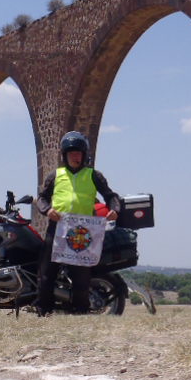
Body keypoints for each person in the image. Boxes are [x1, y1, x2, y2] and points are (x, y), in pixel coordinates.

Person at [35, 131, 120, 315]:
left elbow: (111, 196)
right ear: (64, 156)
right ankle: (43, 310)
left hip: (83, 232)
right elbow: (42, 198)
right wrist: (47, 210)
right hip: (57, 229)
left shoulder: (93, 175)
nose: (75, 156)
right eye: (71, 153)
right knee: (47, 272)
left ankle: (80, 311)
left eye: (78, 153)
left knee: (81, 274)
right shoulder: (55, 176)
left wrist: (114, 209)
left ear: (84, 155)